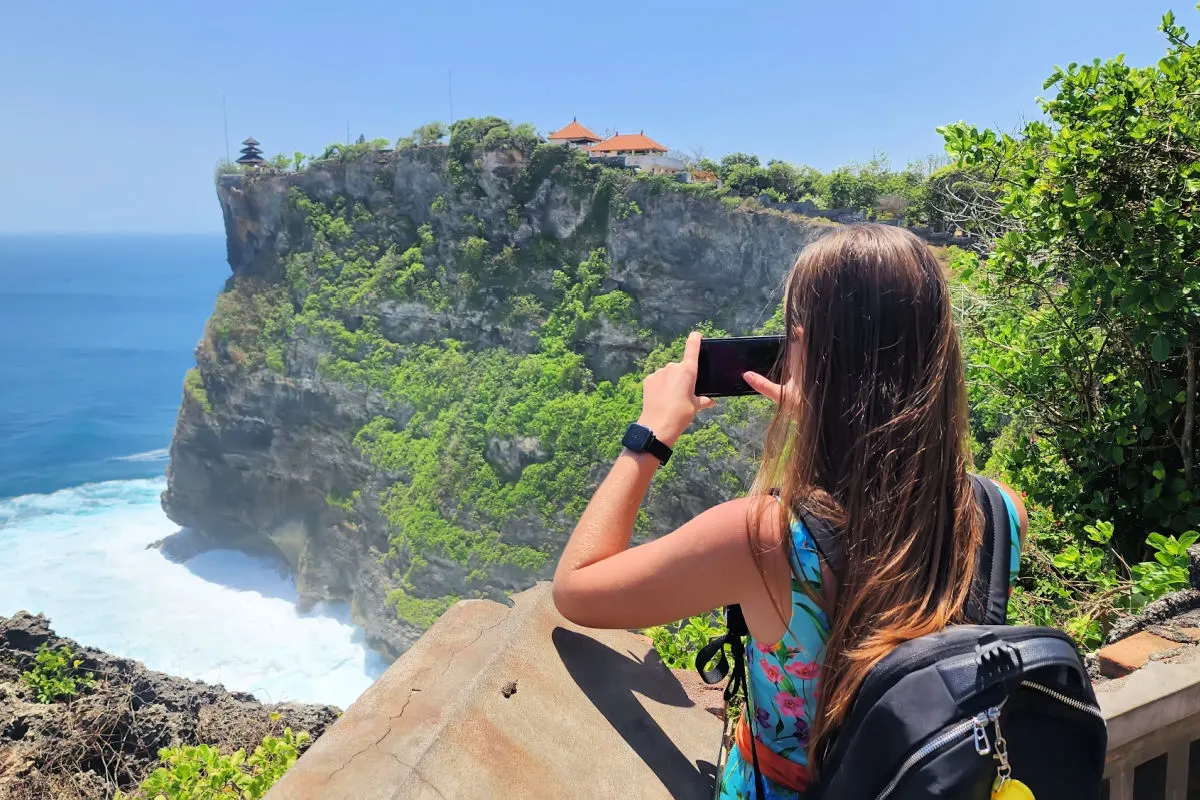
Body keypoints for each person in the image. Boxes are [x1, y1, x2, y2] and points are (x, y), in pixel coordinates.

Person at [552, 224, 1028, 799]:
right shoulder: (1000, 509)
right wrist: (831, 419)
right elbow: (884, 527)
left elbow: (575, 589)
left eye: (792, 337)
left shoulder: (764, 538)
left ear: (805, 347)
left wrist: (651, 434)